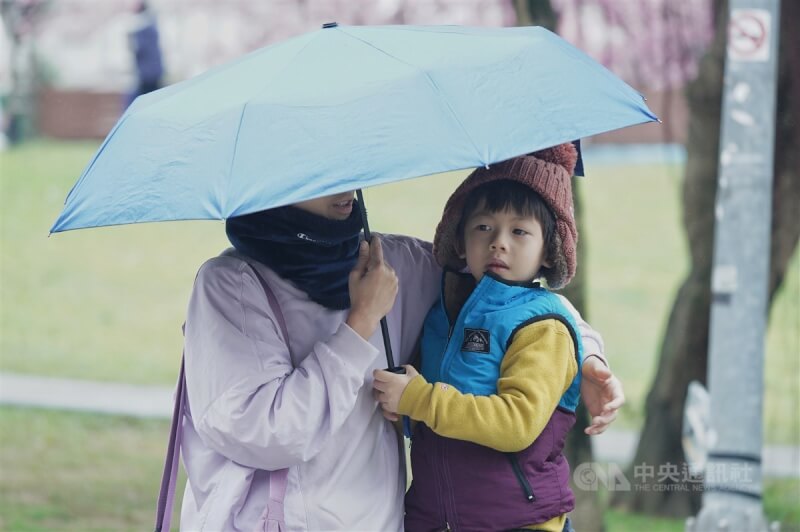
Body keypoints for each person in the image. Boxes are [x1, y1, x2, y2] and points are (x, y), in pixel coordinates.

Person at [179, 184, 623, 530]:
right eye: (324, 173)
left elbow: (511, 301)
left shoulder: (392, 264)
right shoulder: (228, 286)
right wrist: (360, 323)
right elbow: (266, 433)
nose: (345, 183)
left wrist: (587, 359)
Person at [373, 143, 593, 531]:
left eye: (519, 231)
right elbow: (440, 418)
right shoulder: (444, 313)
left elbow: (516, 424)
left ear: (548, 250)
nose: (499, 242)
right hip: (437, 517)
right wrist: (407, 411)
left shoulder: (542, 329)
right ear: (460, 240)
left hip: (516, 520)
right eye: (483, 227)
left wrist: (420, 399)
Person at [125, 1, 164, 108]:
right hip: (152, 74)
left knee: (132, 104)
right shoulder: (151, 25)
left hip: (147, 75)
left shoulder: (142, 28)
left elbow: (139, 49)